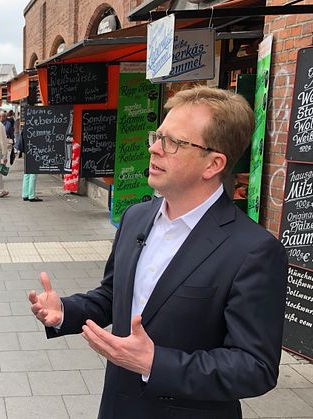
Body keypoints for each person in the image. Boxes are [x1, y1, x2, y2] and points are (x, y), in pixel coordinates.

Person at [28, 86, 287, 419]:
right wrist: (66, 311)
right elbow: (113, 295)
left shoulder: (254, 251)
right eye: (157, 136)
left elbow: (256, 367)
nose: (153, 148)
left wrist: (155, 363)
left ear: (213, 164)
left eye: (173, 142)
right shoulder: (137, 217)